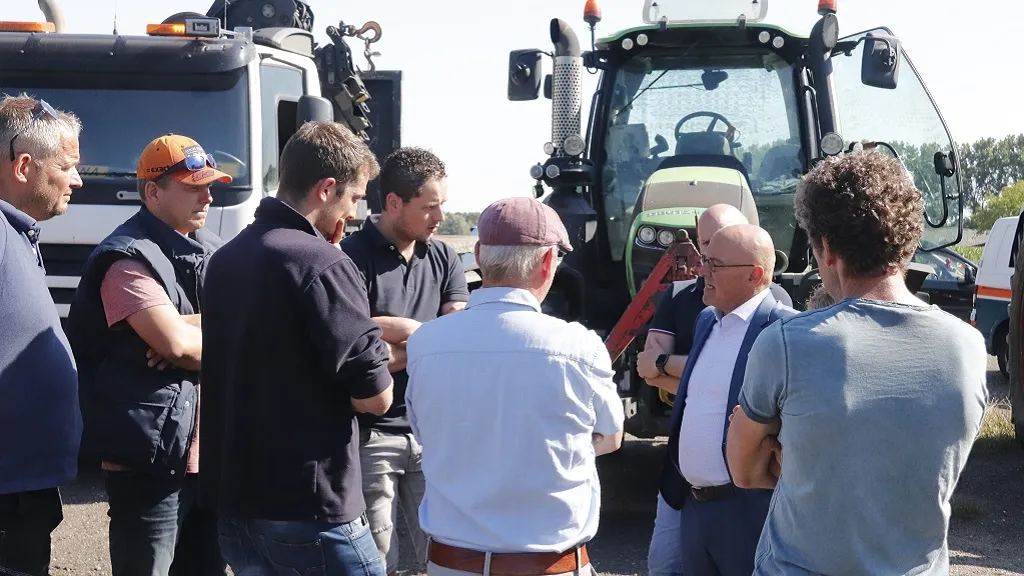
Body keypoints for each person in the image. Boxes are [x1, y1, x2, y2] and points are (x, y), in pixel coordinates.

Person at [727, 151, 989, 575]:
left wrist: (800, 463)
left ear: (827, 249)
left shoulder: (788, 343)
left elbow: (742, 470)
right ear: (906, 241)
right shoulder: (969, 347)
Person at [199, 120, 393, 576]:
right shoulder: (323, 262)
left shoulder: (225, 259)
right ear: (327, 188)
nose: (355, 212)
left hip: (236, 506)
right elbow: (375, 397)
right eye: (354, 197)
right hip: (310, 508)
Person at [405, 196, 625, 576]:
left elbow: (425, 430)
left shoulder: (426, 342)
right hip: (550, 566)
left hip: (452, 565)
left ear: (478, 254)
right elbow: (610, 436)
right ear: (546, 263)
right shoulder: (579, 346)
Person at [66, 134, 230, 576]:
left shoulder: (215, 252)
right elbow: (175, 345)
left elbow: (251, 332)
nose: (209, 196)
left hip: (209, 457)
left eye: (209, 185)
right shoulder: (125, 258)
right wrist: (189, 341)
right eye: (194, 186)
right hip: (148, 458)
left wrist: (191, 331)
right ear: (154, 191)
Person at [636, 204, 790, 576]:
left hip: (746, 513)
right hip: (695, 507)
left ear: (754, 275)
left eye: (714, 264)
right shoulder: (707, 320)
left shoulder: (784, 329)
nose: (701, 269)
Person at [340, 147, 469, 574]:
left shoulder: (444, 257)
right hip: (371, 434)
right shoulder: (349, 259)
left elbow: (456, 339)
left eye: (442, 206)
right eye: (430, 207)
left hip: (432, 433)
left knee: (444, 553)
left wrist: (404, 334)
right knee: (376, 558)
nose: (439, 217)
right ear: (394, 202)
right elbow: (354, 343)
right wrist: (426, 337)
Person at [0, 94, 83, 576]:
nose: (76, 179)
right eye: (68, 166)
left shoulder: (18, 232)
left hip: (20, 490)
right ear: (25, 165)